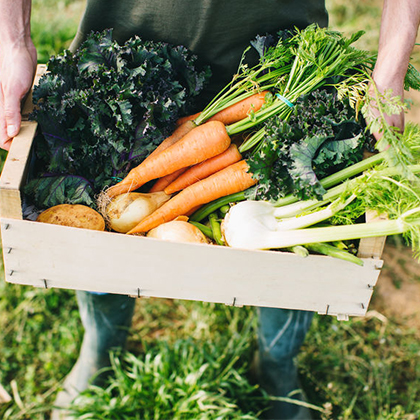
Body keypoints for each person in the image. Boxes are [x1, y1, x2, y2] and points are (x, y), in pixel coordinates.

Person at [1, 1, 419, 419]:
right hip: (125, 49)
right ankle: (102, 343)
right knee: (97, 219)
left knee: (290, 235)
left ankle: (278, 363)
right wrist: (13, 40)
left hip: (276, 70)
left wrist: (389, 75)